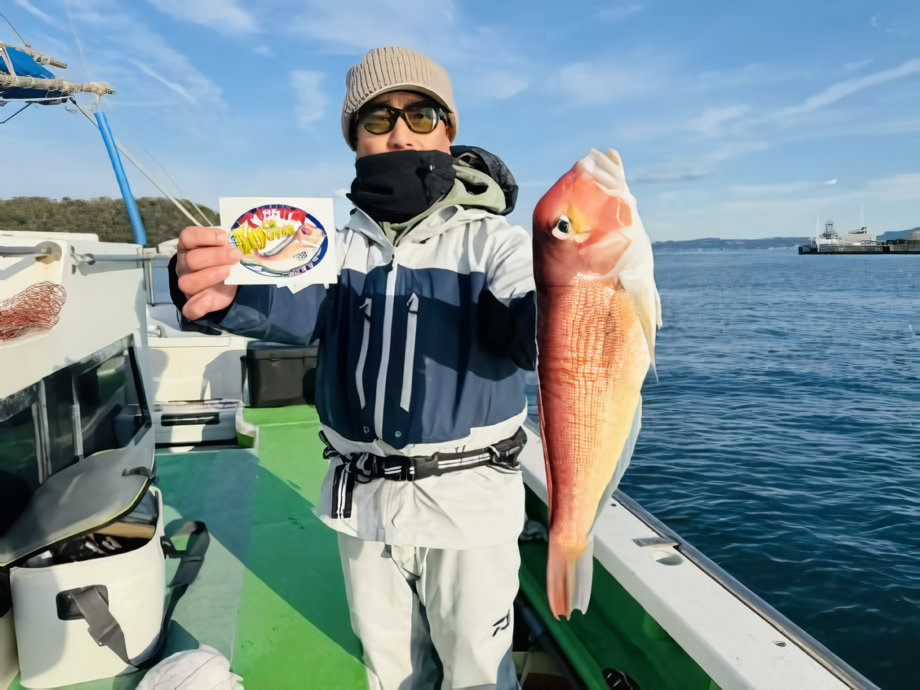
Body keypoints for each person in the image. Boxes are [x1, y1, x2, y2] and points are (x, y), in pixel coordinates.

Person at [169, 46, 536, 689]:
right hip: (360, 502)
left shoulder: (497, 244)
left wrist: (577, 298)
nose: (399, 130)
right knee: (388, 670)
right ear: (353, 138)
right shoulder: (331, 249)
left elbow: (540, 322)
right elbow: (282, 303)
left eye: (421, 114)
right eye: (377, 117)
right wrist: (214, 293)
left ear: (448, 130)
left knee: (479, 672)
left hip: (470, 506)